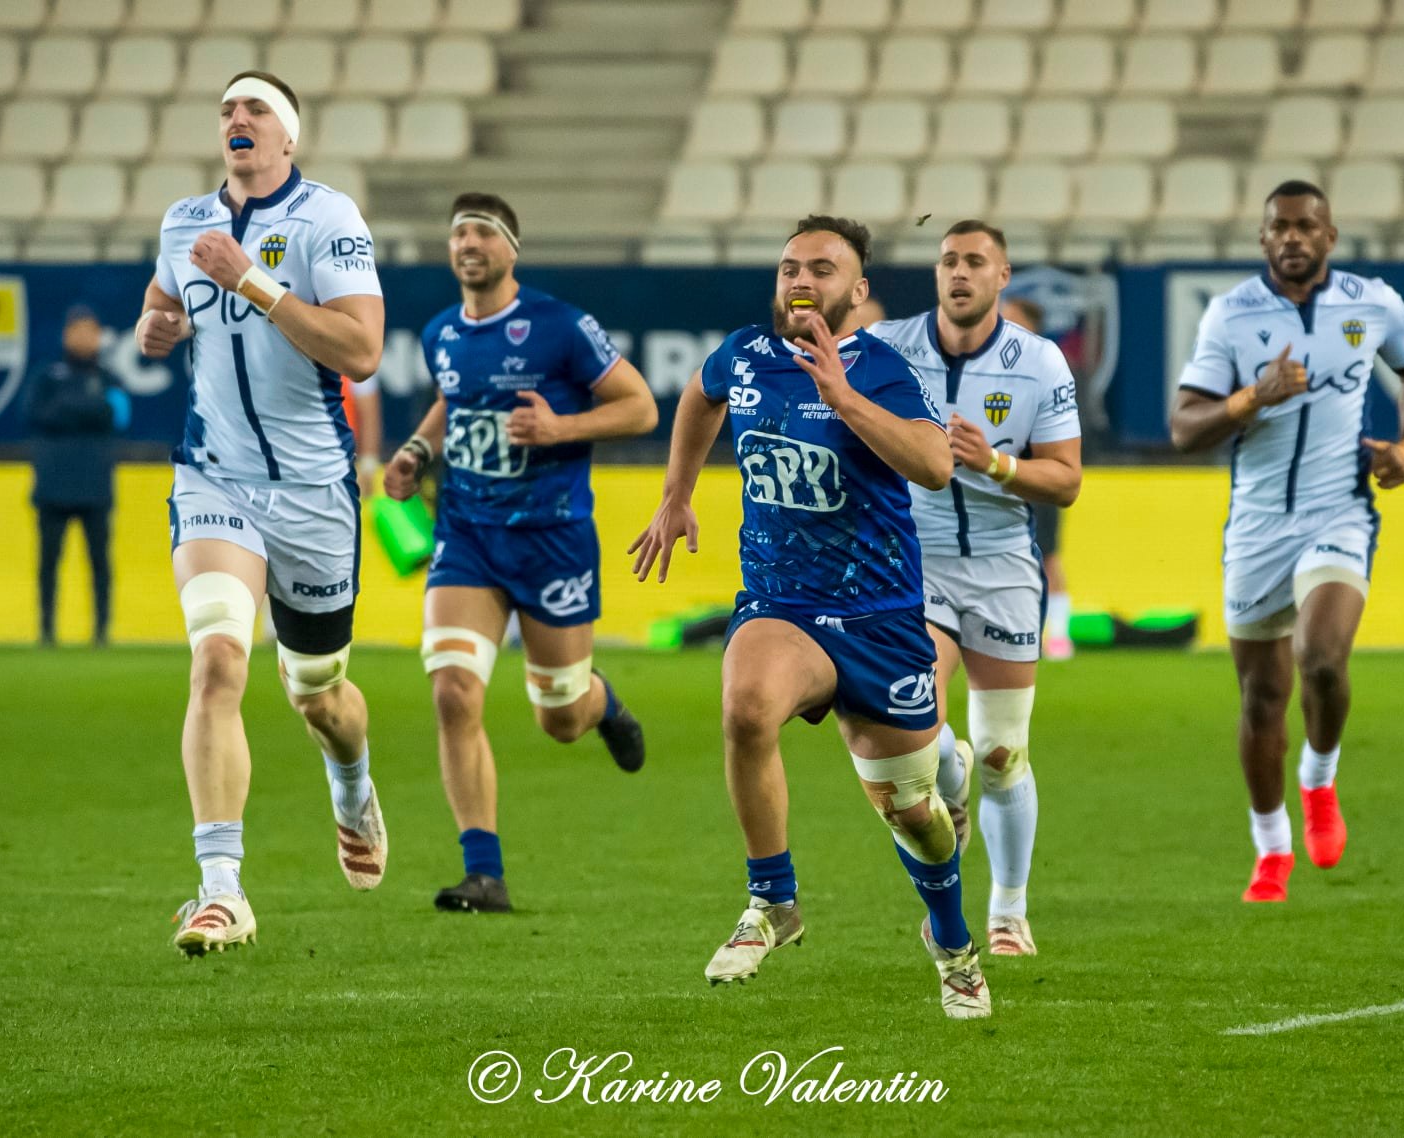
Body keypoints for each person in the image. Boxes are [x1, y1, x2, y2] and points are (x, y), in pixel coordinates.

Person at [630, 215, 990, 1020]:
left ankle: (952, 941)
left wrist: (842, 397)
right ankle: (773, 901)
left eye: (822, 269)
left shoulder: (882, 368)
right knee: (745, 706)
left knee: (917, 820)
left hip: (880, 617)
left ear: (855, 293)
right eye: (790, 265)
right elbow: (700, 396)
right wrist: (675, 495)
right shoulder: (747, 354)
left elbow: (935, 467)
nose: (800, 279)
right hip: (782, 604)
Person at [136, 70, 388, 955]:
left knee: (318, 694)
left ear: (288, 136)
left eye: (255, 110)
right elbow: (161, 307)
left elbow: (361, 350)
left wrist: (257, 285)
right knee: (215, 666)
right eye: (227, 111)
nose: (237, 120)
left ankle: (350, 779)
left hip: (315, 491)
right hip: (214, 479)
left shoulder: (330, 219)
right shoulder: (181, 221)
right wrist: (155, 328)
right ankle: (220, 890)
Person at [385, 192, 656, 914]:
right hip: (467, 537)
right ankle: (484, 872)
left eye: (482, 232)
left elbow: (640, 406)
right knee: (451, 690)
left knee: (558, 715)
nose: (467, 243)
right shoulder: (441, 331)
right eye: (457, 233)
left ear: (510, 249)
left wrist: (561, 427)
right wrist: (416, 449)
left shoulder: (561, 326)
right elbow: (453, 399)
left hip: (552, 539)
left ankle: (603, 705)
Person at [1169, 181, 1404, 903]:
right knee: (1261, 698)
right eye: (1279, 228)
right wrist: (1248, 397)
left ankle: (1318, 779)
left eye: (1305, 226)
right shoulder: (1229, 315)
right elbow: (1183, 427)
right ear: (1262, 240)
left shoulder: (1371, 302)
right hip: (1255, 526)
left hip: (1338, 510)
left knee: (1320, 659)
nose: (1292, 237)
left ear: (1330, 237)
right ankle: (1270, 849)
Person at [870, 221, 1081, 957]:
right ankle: (947, 806)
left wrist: (994, 465)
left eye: (974, 262)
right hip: (910, 564)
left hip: (1001, 568)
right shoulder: (888, 346)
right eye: (947, 260)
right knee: (920, 733)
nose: (958, 273)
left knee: (1000, 752)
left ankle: (1008, 911)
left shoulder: (1040, 361)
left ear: (1001, 278)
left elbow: (1066, 480)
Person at [26, 305, 127, 647]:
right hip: (53, 484)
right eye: (78, 330)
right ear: (66, 335)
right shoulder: (46, 375)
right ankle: (47, 630)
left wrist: (67, 409)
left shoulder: (109, 377)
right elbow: (33, 414)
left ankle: (101, 631)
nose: (85, 338)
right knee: (48, 563)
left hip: (95, 485)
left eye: (91, 330)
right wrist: (87, 410)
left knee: (99, 562)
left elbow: (118, 416)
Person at [1000, 296, 1074, 660]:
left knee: (1048, 556)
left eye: (1012, 320)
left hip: (1038, 475)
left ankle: (1058, 636)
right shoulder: (987, 367)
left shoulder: (1048, 369)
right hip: (997, 478)